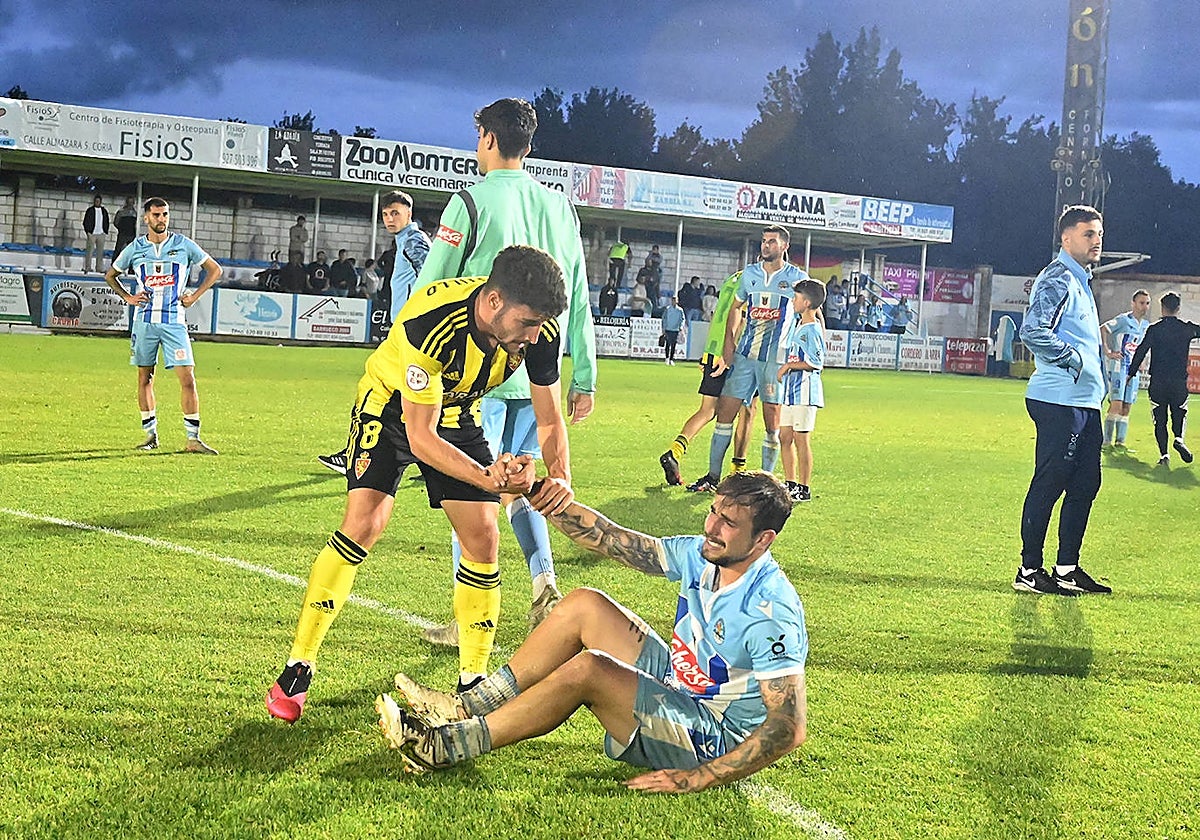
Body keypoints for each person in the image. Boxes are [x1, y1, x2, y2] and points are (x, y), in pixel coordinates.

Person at [266, 245, 574, 724]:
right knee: (365, 523)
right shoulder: (430, 321)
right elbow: (421, 437)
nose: (534, 336)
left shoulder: (542, 328)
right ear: (493, 302)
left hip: (458, 411)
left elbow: (550, 417)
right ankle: (298, 665)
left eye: (539, 325)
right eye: (527, 324)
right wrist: (488, 477)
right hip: (390, 409)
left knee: (484, 536)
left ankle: (473, 683)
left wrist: (560, 476)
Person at [376, 471, 808, 792]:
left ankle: (446, 746)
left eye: (729, 522)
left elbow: (788, 726)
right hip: (682, 684)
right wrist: (543, 498)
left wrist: (699, 776)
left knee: (591, 670)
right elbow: (613, 540)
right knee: (584, 604)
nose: (711, 528)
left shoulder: (770, 611)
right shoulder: (702, 554)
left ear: (763, 539)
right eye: (714, 511)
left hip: (712, 734)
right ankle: (463, 706)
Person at [412, 98, 598, 651]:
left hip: (478, 372)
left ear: (488, 140)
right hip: (539, 367)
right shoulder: (560, 207)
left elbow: (429, 290)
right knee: (523, 480)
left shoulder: (467, 203)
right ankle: (544, 585)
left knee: (475, 488)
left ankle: (468, 620)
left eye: (478, 139)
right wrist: (583, 374)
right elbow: (578, 294)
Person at [1014, 205, 1110, 596]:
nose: (1097, 240)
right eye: (1088, 234)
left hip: (1084, 402)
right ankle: (1029, 570)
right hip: (1058, 399)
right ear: (1066, 238)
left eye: (1099, 233)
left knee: (1087, 483)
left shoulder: (1082, 280)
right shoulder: (1058, 277)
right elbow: (1033, 331)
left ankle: (1067, 568)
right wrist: (1073, 361)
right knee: (1051, 482)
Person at [686, 226, 808, 493]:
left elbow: (811, 315)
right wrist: (729, 349)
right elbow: (735, 310)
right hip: (744, 358)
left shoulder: (797, 278)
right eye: (764, 242)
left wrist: (808, 347)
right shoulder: (750, 274)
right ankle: (712, 477)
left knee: (771, 421)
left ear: (784, 246)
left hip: (774, 361)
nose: (766, 246)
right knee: (725, 413)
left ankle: (767, 483)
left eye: (772, 242)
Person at [317, 192, 430, 475]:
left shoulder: (414, 241)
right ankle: (432, 460)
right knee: (406, 398)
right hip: (406, 330)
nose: (390, 219)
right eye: (385, 214)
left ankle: (353, 456)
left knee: (374, 390)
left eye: (395, 213)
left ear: (408, 213)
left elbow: (431, 278)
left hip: (409, 331)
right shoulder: (404, 241)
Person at [101, 197, 223, 455]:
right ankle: (150, 435)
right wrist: (128, 297)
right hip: (144, 322)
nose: (161, 219)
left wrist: (194, 296)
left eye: (165, 214)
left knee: (187, 378)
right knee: (145, 378)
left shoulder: (183, 245)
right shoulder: (136, 248)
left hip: (174, 322)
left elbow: (214, 270)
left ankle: (193, 439)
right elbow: (111, 275)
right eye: (156, 215)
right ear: (146, 218)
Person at [658, 270, 755, 486]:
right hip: (734, 355)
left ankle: (675, 452)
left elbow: (718, 316)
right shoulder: (756, 281)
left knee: (707, 410)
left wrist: (707, 353)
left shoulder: (732, 278)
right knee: (746, 411)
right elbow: (739, 318)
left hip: (713, 351)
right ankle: (737, 470)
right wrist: (731, 354)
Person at [1126, 291, 1200, 467]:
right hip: (1178, 382)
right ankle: (1179, 439)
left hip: (1158, 382)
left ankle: (1164, 455)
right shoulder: (1187, 328)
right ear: (1178, 308)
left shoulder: (1154, 329)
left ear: (1162, 308)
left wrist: (1131, 372)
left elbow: (1141, 350)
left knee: (1160, 419)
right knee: (1180, 412)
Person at [777, 280, 826, 503]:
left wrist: (788, 366)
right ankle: (790, 484)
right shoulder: (800, 325)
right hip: (791, 391)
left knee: (801, 438)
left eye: (797, 298)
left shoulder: (811, 329)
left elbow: (816, 362)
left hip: (805, 391)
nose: (793, 301)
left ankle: (804, 489)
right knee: (784, 436)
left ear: (806, 303)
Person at [1099, 289, 1151, 454]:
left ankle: (1120, 442)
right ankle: (1106, 442)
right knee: (1116, 404)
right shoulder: (1123, 320)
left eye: (1147, 303)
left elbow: (1140, 347)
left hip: (1133, 370)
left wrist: (1141, 362)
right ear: (1133, 303)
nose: (1145, 307)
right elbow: (1103, 328)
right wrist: (1107, 351)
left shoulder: (1145, 326)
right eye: (1142, 303)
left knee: (1127, 406)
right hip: (1118, 368)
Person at [82, 194, 109, 274]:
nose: (97, 202)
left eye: (98, 201)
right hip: (92, 234)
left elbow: (106, 221)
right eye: (96, 201)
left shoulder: (104, 211)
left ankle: (99, 268)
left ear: (100, 202)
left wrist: (105, 231)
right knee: (89, 252)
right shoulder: (90, 210)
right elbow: (85, 222)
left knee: (100, 253)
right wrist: (88, 232)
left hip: (101, 234)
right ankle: (88, 267)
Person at [112, 196, 138, 266]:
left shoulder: (135, 213)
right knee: (118, 250)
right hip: (123, 234)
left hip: (131, 235)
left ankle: (131, 268)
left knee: (132, 252)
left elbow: (135, 224)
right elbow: (116, 222)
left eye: (132, 203)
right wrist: (121, 229)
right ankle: (114, 265)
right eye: (129, 203)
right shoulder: (121, 212)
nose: (130, 204)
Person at [661, 295, 685, 365]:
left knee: (673, 344)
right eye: (673, 300)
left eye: (675, 300)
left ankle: (671, 359)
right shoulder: (668, 309)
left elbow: (682, 319)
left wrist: (681, 326)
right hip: (668, 328)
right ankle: (667, 358)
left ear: (677, 301)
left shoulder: (680, 310)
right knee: (667, 344)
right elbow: (664, 318)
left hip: (675, 329)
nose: (674, 301)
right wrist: (664, 327)